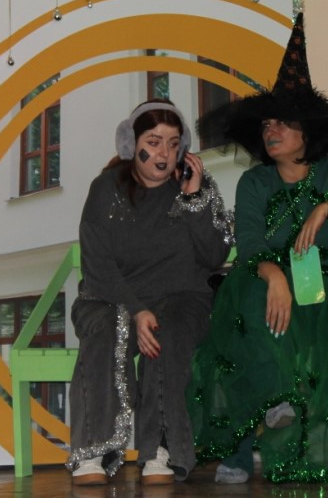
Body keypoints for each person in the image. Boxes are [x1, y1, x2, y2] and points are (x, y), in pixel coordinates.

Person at [187, 13, 328, 484]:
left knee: (255, 315)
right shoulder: (255, 181)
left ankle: (248, 445)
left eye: (283, 122)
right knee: (243, 308)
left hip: (323, 289)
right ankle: (271, 410)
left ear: (309, 131)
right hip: (264, 282)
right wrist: (274, 274)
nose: (271, 130)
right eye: (267, 123)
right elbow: (250, 243)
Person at [66, 99, 232, 486]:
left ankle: (160, 449)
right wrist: (137, 310)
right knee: (107, 329)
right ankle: (93, 449)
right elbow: (98, 265)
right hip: (110, 296)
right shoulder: (106, 189)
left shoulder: (198, 187)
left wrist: (194, 199)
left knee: (167, 333)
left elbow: (215, 256)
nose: (164, 154)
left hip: (181, 299)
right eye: (154, 142)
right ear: (132, 144)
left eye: (173, 144)